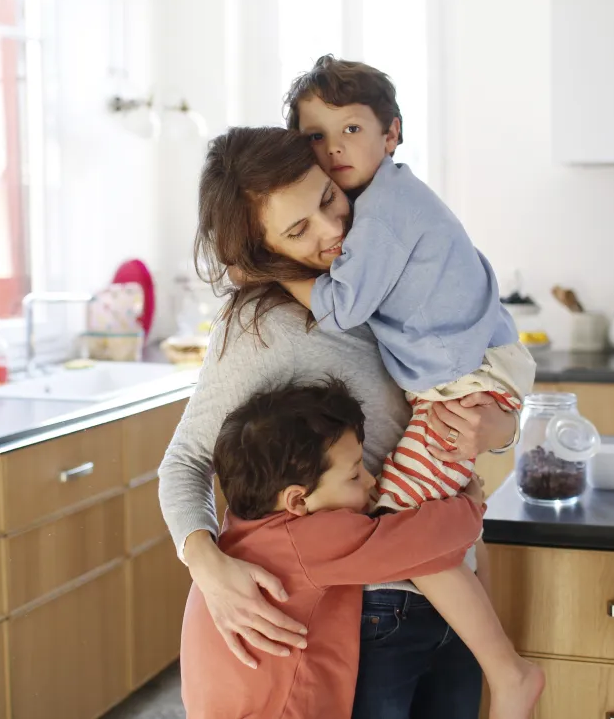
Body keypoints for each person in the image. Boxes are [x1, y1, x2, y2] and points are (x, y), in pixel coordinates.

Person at [160, 124, 517, 718]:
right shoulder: (261, 330)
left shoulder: (390, 275)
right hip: (371, 613)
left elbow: (472, 400)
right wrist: (208, 565)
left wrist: (501, 432)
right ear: (261, 250)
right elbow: (185, 462)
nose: (333, 230)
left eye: (328, 198)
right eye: (298, 230)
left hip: (456, 584)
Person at [275, 55, 544, 718]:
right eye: (316, 135)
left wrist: (267, 267)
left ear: (391, 133)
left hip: (464, 383)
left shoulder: (384, 215)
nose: (334, 148)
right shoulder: (389, 200)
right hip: (468, 375)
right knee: (443, 512)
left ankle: (508, 673)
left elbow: (338, 307)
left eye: (352, 129)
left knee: (400, 522)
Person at [180, 378, 487, 718]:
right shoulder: (310, 539)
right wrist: (470, 506)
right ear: (297, 500)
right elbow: (419, 540)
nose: (371, 480)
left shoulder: (236, 529)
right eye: (354, 475)